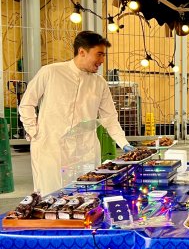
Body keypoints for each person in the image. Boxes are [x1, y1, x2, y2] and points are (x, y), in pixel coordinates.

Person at [19, 31, 134, 196]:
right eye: (99, 55)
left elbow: (109, 117)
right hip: (51, 148)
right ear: (82, 52)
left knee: (85, 198)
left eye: (103, 55)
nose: (102, 61)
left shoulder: (99, 83)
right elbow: (27, 103)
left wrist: (123, 143)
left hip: (85, 151)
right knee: (50, 198)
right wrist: (35, 132)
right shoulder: (50, 72)